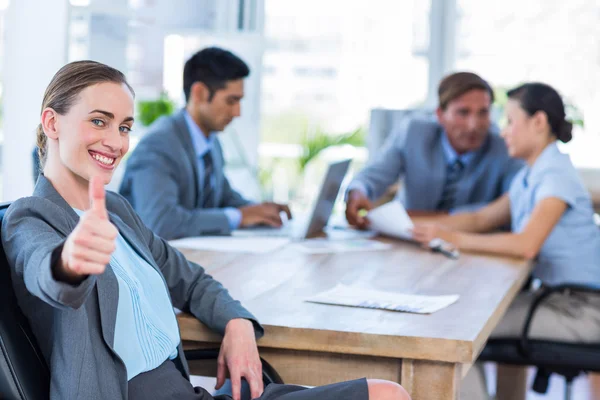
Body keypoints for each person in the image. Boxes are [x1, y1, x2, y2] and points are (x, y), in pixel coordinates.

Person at [2, 60, 410, 400]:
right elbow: (47, 274)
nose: (116, 141)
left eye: (124, 127)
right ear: (51, 124)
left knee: (387, 393)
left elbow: (191, 280)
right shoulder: (29, 217)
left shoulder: (117, 211)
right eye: (99, 121)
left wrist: (237, 323)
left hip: (188, 393)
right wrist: (71, 261)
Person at [412, 82, 600, 400]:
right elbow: (482, 219)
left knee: (458, 328)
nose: (503, 132)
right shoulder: (533, 173)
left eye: (510, 121)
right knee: (466, 313)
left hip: (581, 311)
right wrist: (412, 225)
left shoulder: (554, 175)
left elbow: (526, 244)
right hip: (560, 300)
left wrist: (452, 238)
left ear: (538, 122)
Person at [119, 47, 290, 240]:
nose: (237, 113)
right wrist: (240, 216)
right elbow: (161, 222)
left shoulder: (210, 142)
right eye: (231, 101)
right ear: (199, 93)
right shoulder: (158, 146)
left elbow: (223, 198)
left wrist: (261, 211)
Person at [346, 72, 524, 229]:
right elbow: (374, 175)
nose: (474, 125)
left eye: (483, 113)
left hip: (471, 245)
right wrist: (358, 192)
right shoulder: (413, 133)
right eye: (463, 113)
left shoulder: (505, 146)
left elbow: (514, 203)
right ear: (440, 115)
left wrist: (431, 218)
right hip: (408, 238)